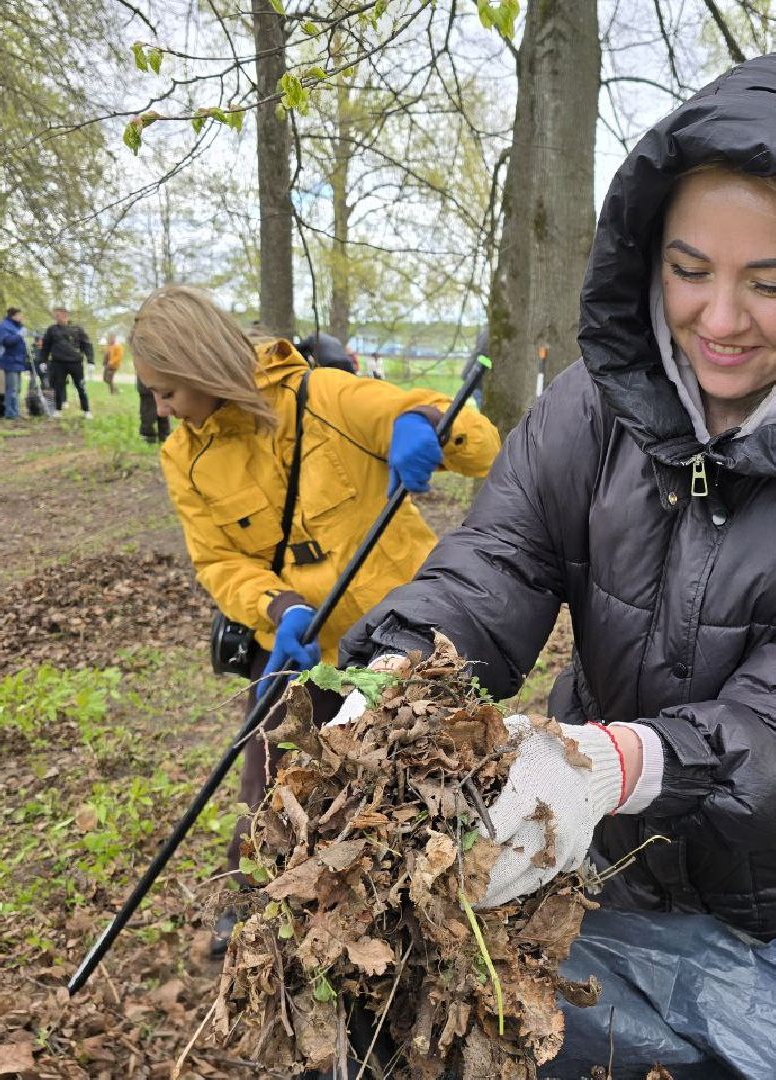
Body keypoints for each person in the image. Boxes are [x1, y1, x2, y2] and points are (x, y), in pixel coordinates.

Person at [341, 51, 776, 985]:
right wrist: (407, 665)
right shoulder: (590, 407)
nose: (721, 318)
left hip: (770, 911)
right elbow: (500, 558)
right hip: (589, 863)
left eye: (771, 284)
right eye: (689, 269)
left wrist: (634, 762)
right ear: (650, 252)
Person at [128, 284, 502, 955]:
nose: (160, 409)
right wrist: (279, 607)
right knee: (270, 772)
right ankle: (253, 895)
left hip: (401, 636)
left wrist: (420, 425)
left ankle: (445, 903)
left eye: (167, 392)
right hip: (298, 648)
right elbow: (218, 562)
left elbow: (480, 445)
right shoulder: (184, 455)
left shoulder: (323, 397)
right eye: (154, 393)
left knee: (423, 776)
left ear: (201, 369)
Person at [40, 307, 94, 417]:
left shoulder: (77, 329)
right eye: (55, 315)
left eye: (57, 315)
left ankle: (86, 410)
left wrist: (90, 361)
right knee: (58, 387)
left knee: (81, 386)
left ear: (65, 315)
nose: (55, 317)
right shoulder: (52, 330)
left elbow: (87, 345)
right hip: (58, 363)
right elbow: (46, 346)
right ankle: (57, 409)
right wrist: (43, 361)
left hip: (75, 363)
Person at [0, 308, 29, 419]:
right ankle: (10, 413)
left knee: (17, 388)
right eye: (19, 315)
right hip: (9, 360)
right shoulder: (3, 326)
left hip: (18, 360)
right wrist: (19, 335)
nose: (21, 317)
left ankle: (16, 412)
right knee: (12, 389)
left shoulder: (17, 326)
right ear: (13, 315)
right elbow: (6, 341)